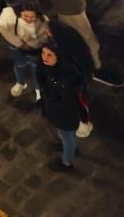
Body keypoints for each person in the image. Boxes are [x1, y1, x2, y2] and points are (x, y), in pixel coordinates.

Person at [37, 0, 120, 87]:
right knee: (87, 39)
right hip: (71, 11)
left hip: (70, 8)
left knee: (79, 34)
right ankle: (96, 68)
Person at [38, 43, 85, 172]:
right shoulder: (53, 70)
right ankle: (70, 149)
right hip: (59, 115)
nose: (44, 57)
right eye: (43, 53)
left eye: (49, 55)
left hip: (65, 117)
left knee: (67, 138)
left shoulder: (64, 79)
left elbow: (66, 102)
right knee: (65, 136)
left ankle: (67, 162)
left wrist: (50, 103)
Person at [0, 3, 51, 100]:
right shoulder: (8, 14)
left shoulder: (43, 20)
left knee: (36, 69)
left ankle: (38, 89)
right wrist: (19, 44)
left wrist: (31, 45)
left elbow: (45, 37)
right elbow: (2, 27)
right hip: (16, 46)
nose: (29, 19)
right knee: (19, 65)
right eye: (26, 16)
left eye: (32, 17)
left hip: (35, 48)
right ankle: (20, 83)